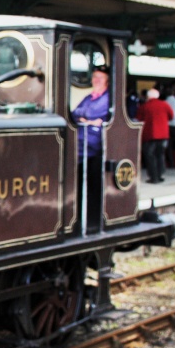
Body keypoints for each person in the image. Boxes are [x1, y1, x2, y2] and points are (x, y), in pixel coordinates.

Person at [70, 64, 110, 230]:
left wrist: (86, 120)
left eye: (99, 78)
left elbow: (92, 116)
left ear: (106, 81)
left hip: (93, 142)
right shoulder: (89, 97)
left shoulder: (107, 98)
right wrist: (86, 119)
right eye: (94, 77)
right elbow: (75, 113)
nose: (95, 80)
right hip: (81, 137)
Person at [136, 88, 173, 184]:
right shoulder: (165, 104)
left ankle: (154, 177)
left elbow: (138, 118)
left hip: (149, 134)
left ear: (148, 96)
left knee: (150, 156)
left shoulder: (145, 106)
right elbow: (171, 116)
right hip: (163, 134)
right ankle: (160, 175)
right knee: (160, 155)